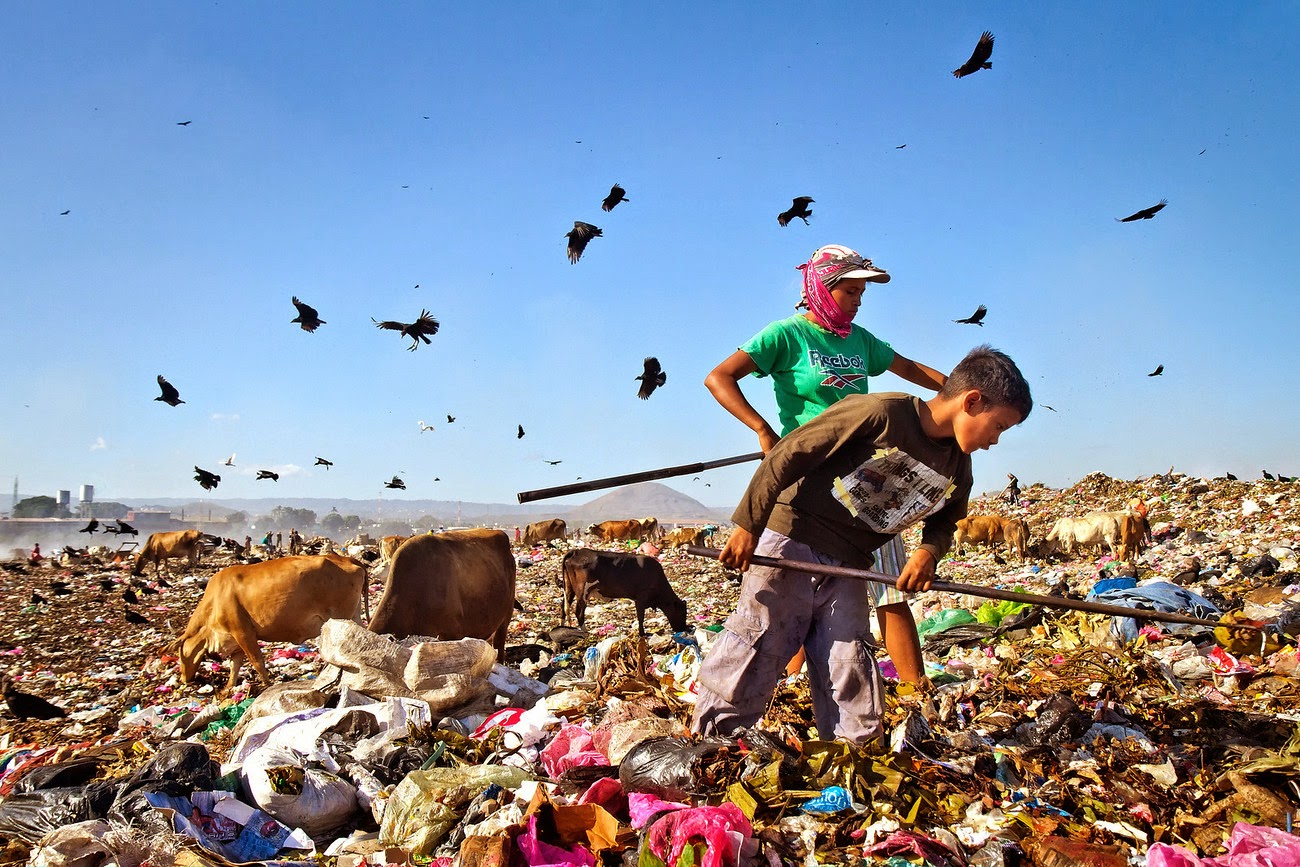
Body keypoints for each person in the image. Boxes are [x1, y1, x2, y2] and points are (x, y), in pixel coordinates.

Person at [691, 345, 1032, 744]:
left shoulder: (957, 463)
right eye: (998, 426)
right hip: (793, 540)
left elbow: (947, 518)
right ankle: (712, 743)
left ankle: (853, 752)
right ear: (971, 401)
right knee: (760, 643)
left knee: (849, 660)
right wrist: (749, 524)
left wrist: (928, 552)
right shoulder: (882, 414)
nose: (995, 441)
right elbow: (789, 452)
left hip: (851, 563)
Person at [705, 244, 948, 678]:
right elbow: (719, 377)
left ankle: (917, 690)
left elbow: (910, 369)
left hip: (868, 480)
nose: (858, 301)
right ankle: (790, 681)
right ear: (822, 287)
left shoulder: (861, 340)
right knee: (799, 588)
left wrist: (958, 390)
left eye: (861, 294)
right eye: (850, 291)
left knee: (890, 588)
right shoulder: (786, 335)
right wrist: (763, 430)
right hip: (809, 478)